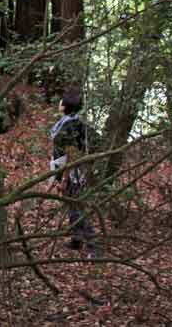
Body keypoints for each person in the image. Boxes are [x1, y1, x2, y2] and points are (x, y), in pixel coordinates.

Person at [49, 88, 99, 257]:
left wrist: (63, 177)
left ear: (65, 105)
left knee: (76, 207)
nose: (59, 103)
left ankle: (94, 245)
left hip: (73, 172)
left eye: (61, 101)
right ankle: (76, 239)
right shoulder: (71, 121)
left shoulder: (71, 124)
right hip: (70, 169)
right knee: (71, 205)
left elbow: (71, 153)